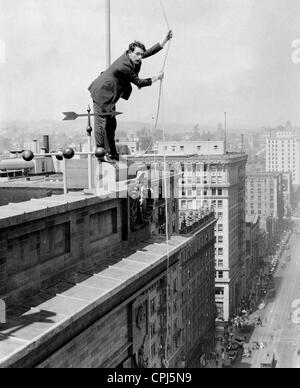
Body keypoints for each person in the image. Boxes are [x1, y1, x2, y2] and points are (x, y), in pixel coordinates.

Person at [88, 30, 173, 161]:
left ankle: (112, 153)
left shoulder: (133, 57)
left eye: (141, 54)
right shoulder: (124, 65)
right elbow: (139, 82)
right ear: (130, 52)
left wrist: (165, 39)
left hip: (110, 95)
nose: (140, 57)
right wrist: (156, 77)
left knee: (111, 124)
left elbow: (149, 51)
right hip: (101, 93)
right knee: (101, 124)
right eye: (137, 54)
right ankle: (100, 154)